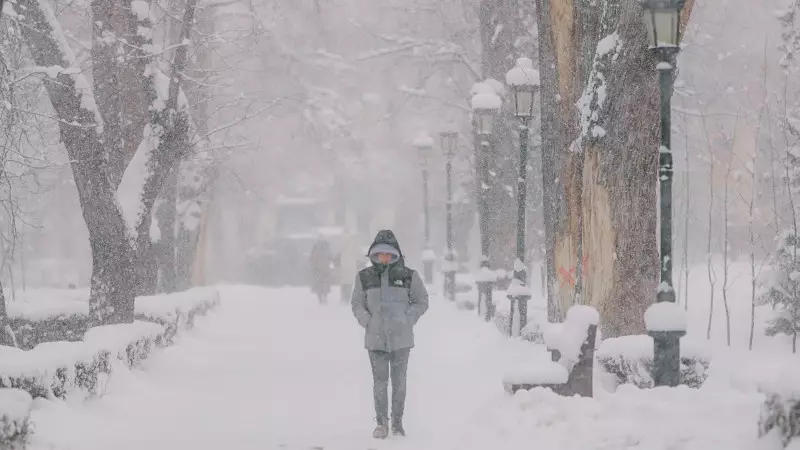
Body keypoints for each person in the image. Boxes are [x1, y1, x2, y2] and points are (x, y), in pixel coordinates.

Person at [350, 230, 429, 439]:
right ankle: (381, 423)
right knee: (380, 383)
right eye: (380, 254)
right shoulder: (364, 277)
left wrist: (408, 318)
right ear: (374, 255)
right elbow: (357, 303)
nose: (384, 258)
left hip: (401, 340)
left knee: (399, 383)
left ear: (395, 255)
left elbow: (422, 300)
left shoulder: (408, 276)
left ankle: (397, 422)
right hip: (375, 340)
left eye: (388, 254)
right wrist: (367, 321)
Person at [309, 237, 333, 304]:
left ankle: (320, 299)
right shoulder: (327, 249)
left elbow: (312, 259)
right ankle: (325, 297)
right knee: (325, 283)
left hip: (317, 270)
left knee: (318, 284)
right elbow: (331, 259)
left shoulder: (315, 248)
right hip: (326, 269)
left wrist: (313, 267)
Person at [338, 231, 359, 304]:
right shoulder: (353, 243)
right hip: (351, 265)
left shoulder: (340, 242)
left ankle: (343, 297)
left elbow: (338, 253)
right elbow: (357, 253)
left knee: (343, 282)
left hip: (343, 265)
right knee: (349, 283)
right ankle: (347, 298)